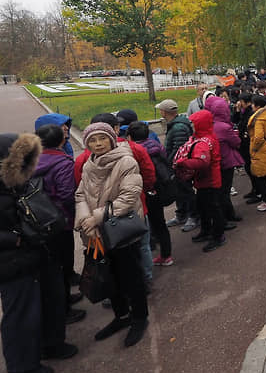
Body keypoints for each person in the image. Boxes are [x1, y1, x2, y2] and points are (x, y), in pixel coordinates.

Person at [1, 133, 79, 373]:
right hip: (12, 259)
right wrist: (15, 240)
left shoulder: (18, 182)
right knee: (21, 310)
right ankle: (23, 366)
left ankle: (52, 343)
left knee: (50, 297)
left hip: (38, 249)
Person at [75, 123, 149, 347]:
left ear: (111, 139)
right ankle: (121, 316)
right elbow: (80, 194)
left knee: (131, 277)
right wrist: (85, 220)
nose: (97, 144)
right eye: (92, 140)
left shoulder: (125, 161)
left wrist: (97, 217)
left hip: (119, 230)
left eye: (102, 139)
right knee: (109, 276)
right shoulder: (89, 164)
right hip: (96, 232)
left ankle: (139, 317)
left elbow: (129, 197)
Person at [33, 124, 85, 323]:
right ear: (62, 140)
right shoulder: (62, 162)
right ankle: (63, 308)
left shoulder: (30, 159)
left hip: (37, 219)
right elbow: (67, 195)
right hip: (59, 221)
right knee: (63, 264)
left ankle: (62, 300)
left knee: (51, 265)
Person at [176, 110, 227, 252]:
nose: (191, 125)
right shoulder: (203, 137)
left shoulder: (205, 141)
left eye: (194, 123)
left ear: (201, 124)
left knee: (213, 208)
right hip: (204, 180)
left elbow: (202, 162)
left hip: (209, 181)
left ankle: (218, 236)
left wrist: (183, 163)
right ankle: (206, 230)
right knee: (203, 207)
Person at [127, 122, 175, 267]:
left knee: (149, 224)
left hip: (147, 190)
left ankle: (156, 255)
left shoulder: (135, 151)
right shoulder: (156, 145)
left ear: (129, 136)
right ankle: (167, 254)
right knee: (160, 223)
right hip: (161, 188)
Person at [157, 99, 198, 231]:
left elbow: (179, 149)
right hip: (176, 164)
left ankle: (193, 215)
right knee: (179, 191)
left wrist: (169, 163)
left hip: (180, 165)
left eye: (161, 110)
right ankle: (182, 214)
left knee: (185, 190)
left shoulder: (178, 127)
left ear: (164, 112)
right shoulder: (176, 124)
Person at [205, 96, 244, 224]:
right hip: (226, 162)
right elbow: (236, 142)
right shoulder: (224, 127)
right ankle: (228, 215)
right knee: (224, 191)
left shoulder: (210, 124)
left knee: (218, 190)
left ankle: (223, 216)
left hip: (214, 162)